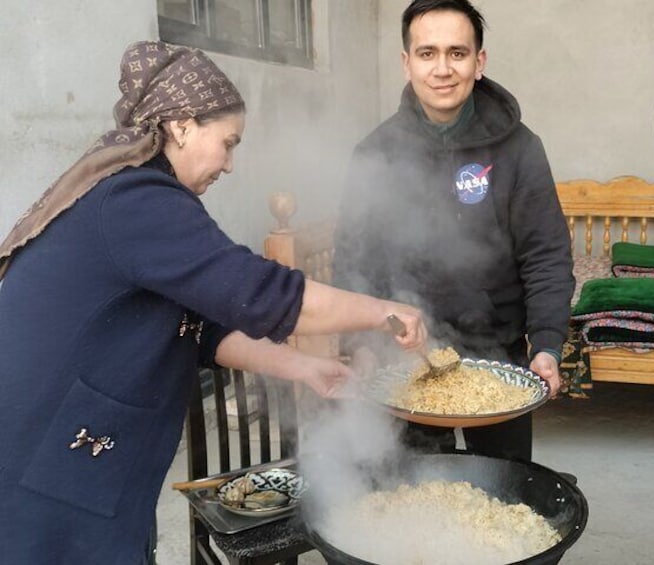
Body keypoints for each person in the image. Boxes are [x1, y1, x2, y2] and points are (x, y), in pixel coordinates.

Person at [0, 40, 428, 565]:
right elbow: (263, 294)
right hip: (48, 457)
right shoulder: (136, 201)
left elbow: (202, 327)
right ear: (181, 125)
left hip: (83, 454)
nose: (228, 163)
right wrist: (387, 312)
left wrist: (304, 366)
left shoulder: (143, 196)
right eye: (228, 142)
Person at [331, 0, 574, 462]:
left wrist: (545, 345)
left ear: (479, 62)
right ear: (406, 63)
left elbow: (545, 254)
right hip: (401, 358)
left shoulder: (521, 149)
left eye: (457, 53)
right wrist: (361, 346)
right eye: (427, 54)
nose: (442, 69)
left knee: (504, 492)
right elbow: (354, 262)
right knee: (409, 496)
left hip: (499, 357)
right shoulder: (375, 154)